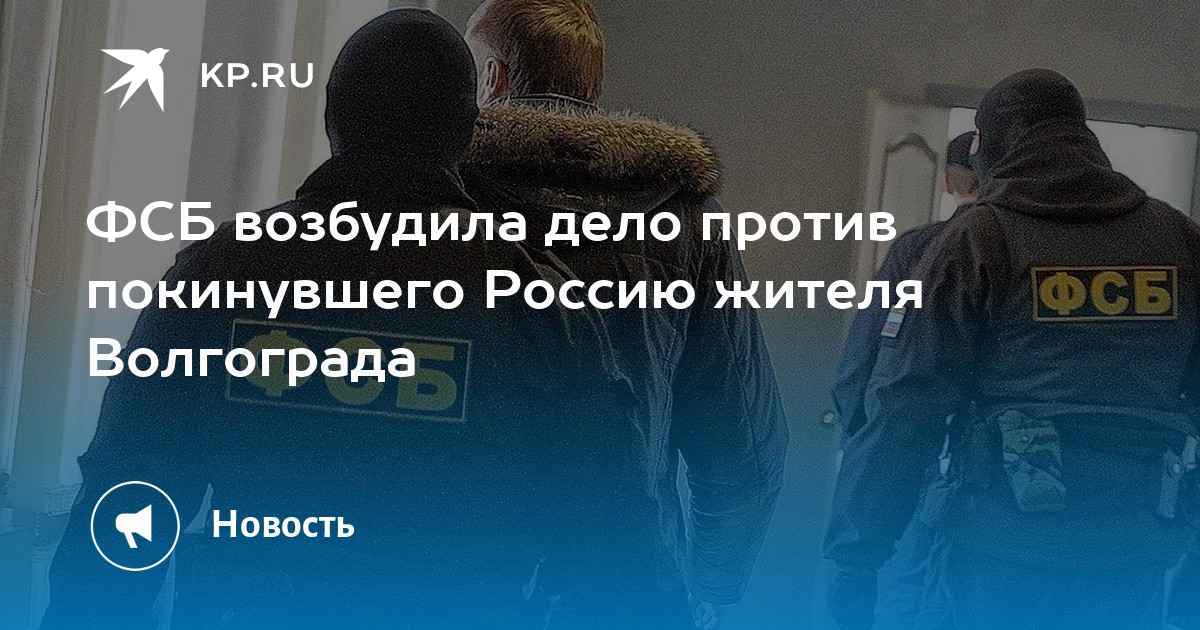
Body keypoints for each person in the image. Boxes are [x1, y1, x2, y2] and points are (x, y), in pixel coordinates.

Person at [42, 9, 607, 629]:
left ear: (331, 114)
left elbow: (127, 499)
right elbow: (603, 543)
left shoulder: (218, 274)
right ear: (468, 132)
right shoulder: (536, 302)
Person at [825, 68, 1200, 630]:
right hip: (1132, 549)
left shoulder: (979, 239)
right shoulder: (1179, 239)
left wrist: (856, 555)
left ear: (996, 142)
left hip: (997, 543)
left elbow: (905, 401)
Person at [460, 1, 790, 628]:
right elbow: (745, 441)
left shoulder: (447, 199)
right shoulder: (686, 219)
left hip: (468, 573)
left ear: (493, 78)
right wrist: (710, 586)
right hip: (629, 578)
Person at [829, 132, 978, 630]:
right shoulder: (1024, 250)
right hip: (989, 465)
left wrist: (861, 441)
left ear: (948, 182)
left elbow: (862, 356)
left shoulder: (920, 248)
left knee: (903, 588)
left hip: (910, 446)